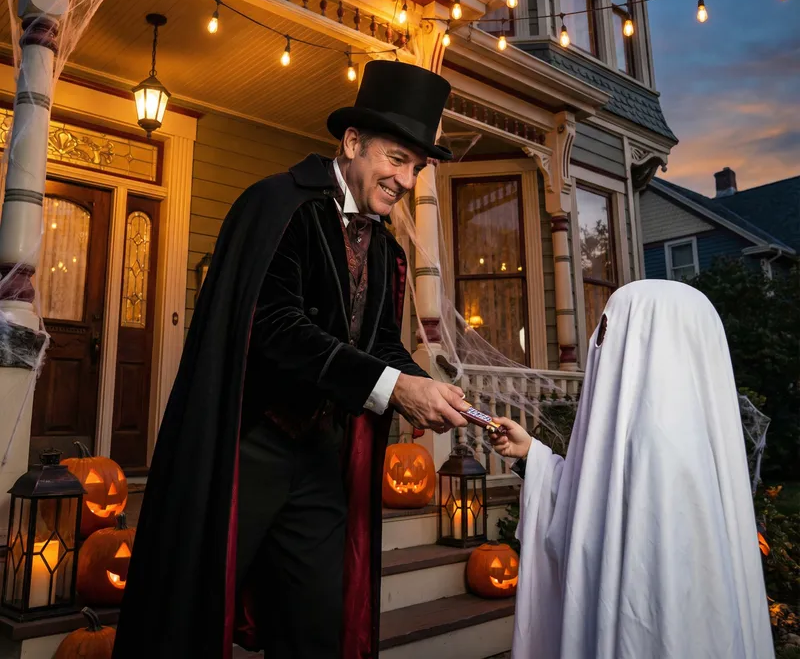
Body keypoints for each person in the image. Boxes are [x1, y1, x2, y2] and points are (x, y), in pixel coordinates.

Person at [113, 60, 469, 659]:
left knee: (315, 628)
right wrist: (391, 387)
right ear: (352, 142)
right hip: (247, 447)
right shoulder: (277, 206)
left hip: (321, 460)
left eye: (416, 166)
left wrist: (420, 384)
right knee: (193, 613)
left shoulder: (385, 250)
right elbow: (275, 329)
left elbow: (378, 340)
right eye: (396, 159)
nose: (406, 179)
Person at [490, 280, 774, 659]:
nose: (598, 343)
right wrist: (531, 454)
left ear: (644, 338)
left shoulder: (658, 444)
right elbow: (588, 505)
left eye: (607, 329)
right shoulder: (651, 432)